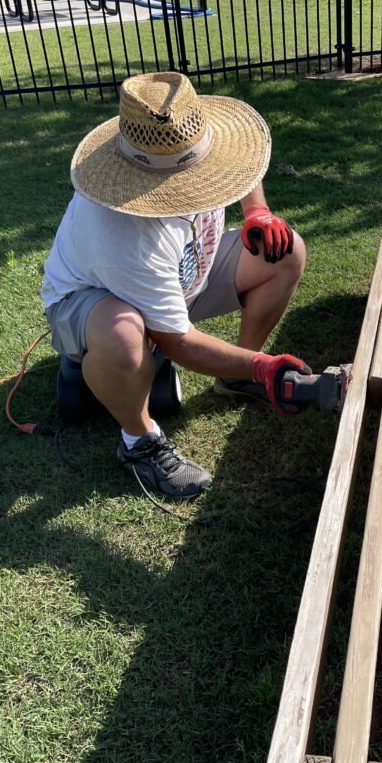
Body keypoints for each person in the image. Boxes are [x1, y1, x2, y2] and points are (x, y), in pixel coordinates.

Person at [40, 72, 310, 501]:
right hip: (92, 303)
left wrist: (257, 211)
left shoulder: (187, 136)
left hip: (181, 278)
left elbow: (243, 167)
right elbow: (178, 341)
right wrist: (266, 367)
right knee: (122, 334)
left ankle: (235, 378)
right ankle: (139, 441)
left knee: (286, 252)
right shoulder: (120, 231)